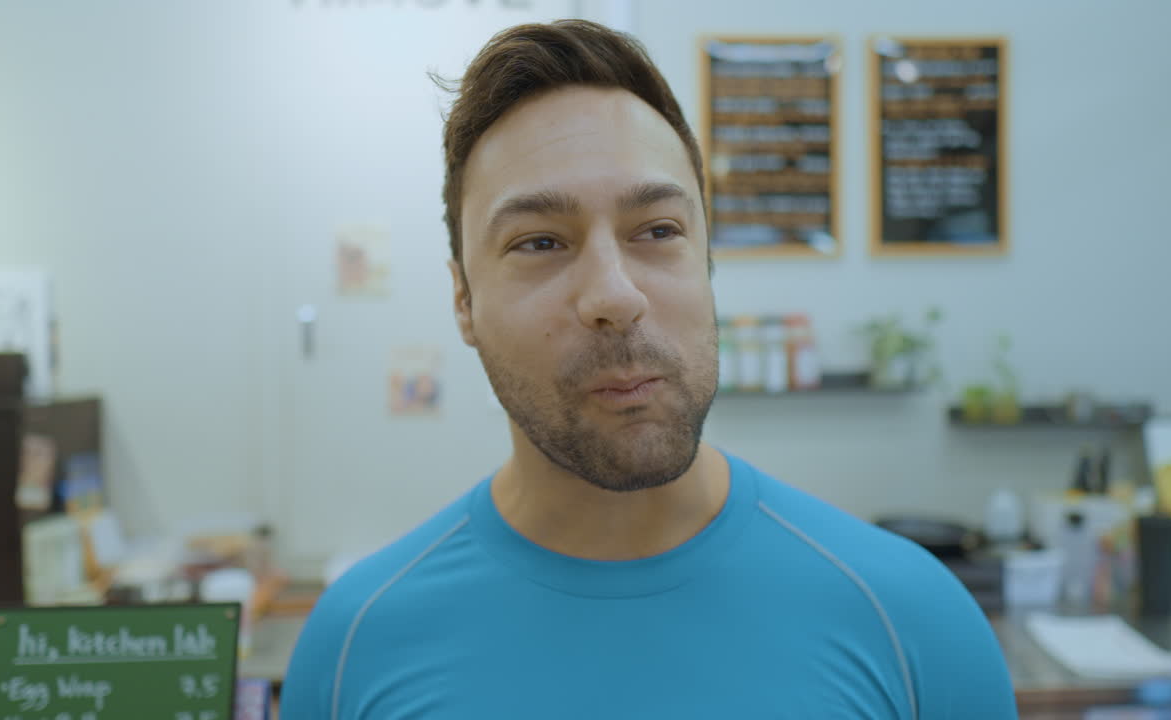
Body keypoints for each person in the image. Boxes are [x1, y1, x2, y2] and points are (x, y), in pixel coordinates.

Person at [281, 19, 1016, 719]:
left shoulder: (912, 624)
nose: (615, 295)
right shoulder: (355, 649)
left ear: (706, 260)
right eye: (539, 242)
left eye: (658, 230)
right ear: (463, 300)